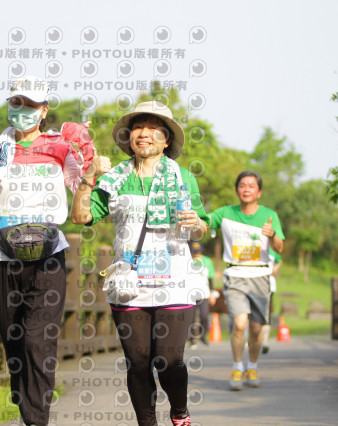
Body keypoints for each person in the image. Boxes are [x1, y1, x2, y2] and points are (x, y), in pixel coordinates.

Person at [0, 76, 94, 426]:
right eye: (16, 103)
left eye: (30, 105)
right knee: (16, 343)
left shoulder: (61, 146)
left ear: (44, 110)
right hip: (0, 256)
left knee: (36, 341)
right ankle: (25, 393)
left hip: (47, 257)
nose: (22, 110)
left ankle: (35, 419)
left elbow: (81, 189)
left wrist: (87, 155)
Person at [71, 100, 210, 426]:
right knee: (138, 361)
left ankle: (179, 412)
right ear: (129, 135)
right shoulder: (115, 177)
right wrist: (88, 177)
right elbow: (81, 216)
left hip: (174, 276)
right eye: (138, 127)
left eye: (152, 128)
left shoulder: (183, 177)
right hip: (129, 279)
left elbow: (203, 225)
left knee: (170, 357)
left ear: (166, 139)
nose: (143, 134)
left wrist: (196, 223)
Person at [210, 170, 284, 391]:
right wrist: (196, 224)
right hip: (235, 276)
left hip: (260, 276)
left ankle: (252, 366)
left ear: (259, 192)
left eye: (251, 186)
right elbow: (203, 226)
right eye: (242, 185)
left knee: (256, 328)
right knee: (240, 324)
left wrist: (272, 236)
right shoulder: (224, 213)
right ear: (237, 190)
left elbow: (280, 248)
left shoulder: (269, 215)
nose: (246, 189)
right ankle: (236, 367)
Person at [188, 240, 215, 348]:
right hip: (190, 294)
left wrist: (213, 293)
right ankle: (192, 338)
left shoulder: (207, 261)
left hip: (204, 293)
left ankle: (204, 336)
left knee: (204, 315)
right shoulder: (188, 261)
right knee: (191, 317)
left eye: (198, 252)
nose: (196, 254)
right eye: (194, 252)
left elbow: (211, 278)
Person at [261, 250, 282, 354]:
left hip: (269, 285)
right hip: (253, 284)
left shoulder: (273, 250)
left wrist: (275, 269)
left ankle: (265, 341)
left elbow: (279, 260)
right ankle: (252, 340)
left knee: (266, 313)